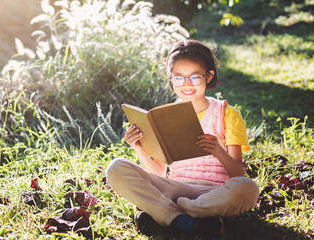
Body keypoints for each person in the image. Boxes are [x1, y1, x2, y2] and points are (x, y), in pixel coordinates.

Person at [106, 39, 260, 239]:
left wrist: (218, 151)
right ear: (170, 79)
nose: (186, 85)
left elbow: (238, 173)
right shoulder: (166, 117)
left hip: (216, 191)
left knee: (248, 188)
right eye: (179, 78)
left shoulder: (227, 114)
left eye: (195, 77)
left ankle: (170, 212)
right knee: (116, 168)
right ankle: (186, 220)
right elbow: (159, 172)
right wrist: (138, 148)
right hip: (174, 188)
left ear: (209, 76)